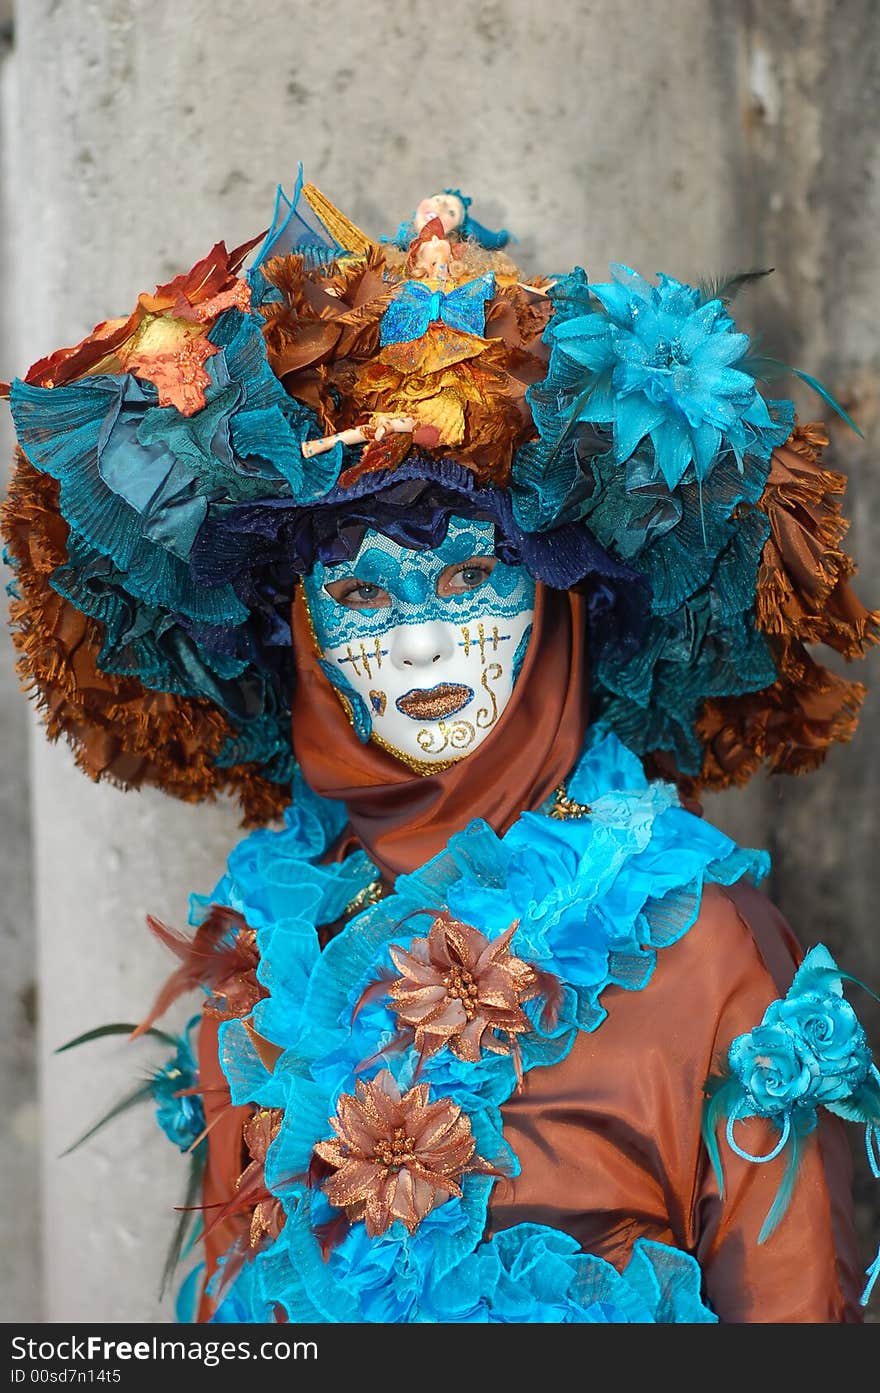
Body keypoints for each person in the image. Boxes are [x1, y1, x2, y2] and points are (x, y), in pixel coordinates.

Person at [2, 176, 878, 1324]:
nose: (420, 648)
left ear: (561, 602)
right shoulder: (270, 947)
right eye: (364, 593)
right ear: (303, 638)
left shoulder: (695, 944)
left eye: (470, 577)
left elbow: (796, 1311)